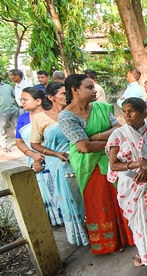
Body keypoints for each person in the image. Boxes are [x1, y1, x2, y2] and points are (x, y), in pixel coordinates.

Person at [59, 74, 133, 255]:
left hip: (112, 160)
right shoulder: (66, 116)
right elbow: (84, 146)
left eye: (93, 87)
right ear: (75, 90)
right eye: (89, 87)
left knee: (120, 197)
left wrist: (97, 137)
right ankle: (109, 243)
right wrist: (111, 143)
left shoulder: (101, 107)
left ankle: (128, 237)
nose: (94, 91)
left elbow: (119, 129)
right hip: (89, 166)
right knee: (100, 203)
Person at [106, 97, 147, 267]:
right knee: (138, 220)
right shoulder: (118, 134)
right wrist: (138, 164)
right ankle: (144, 253)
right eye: (124, 112)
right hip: (131, 184)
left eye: (131, 111)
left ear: (144, 113)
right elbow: (113, 165)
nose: (127, 115)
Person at [29, 82, 88, 246]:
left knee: (85, 195)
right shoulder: (40, 118)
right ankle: (79, 234)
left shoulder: (75, 112)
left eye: (67, 93)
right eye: (62, 94)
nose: (66, 96)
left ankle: (96, 230)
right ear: (50, 97)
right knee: (70, 198)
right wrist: (55, 154)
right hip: (60, 164)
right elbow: (34, 144)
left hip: (81, 160)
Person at [15, 87, 59, 226]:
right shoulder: (22, 118)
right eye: (22, 99)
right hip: (34, 161)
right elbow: (19, 141)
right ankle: (51, 221)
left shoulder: (51, 115)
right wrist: (32, 155)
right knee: (41, 191)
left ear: (38, 101)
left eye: (25, 99)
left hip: (54, 159)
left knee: (57, 190)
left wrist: (44, 154)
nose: (22, 102)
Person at [0, 76, 19, 152]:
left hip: (13, 110)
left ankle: (20, 143)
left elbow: (15, 96)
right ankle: (4, 146)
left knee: (17, 127)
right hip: (1, 112)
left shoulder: (7, 86)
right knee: (1, 130)